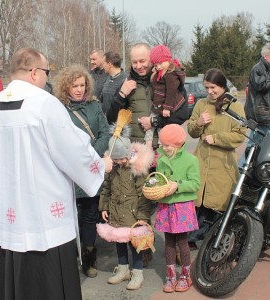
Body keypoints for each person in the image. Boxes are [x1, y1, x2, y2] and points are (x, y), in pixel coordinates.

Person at [0, 48, 112, 300]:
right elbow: (73, 149)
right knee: (49, 281)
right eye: (46, 72)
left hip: (8, 211)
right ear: (34, 72)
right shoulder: (44, 103)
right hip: (44, 214)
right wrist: (99, 165)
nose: (46, 79)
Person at [53, 64, 110, 278]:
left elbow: (104, 132)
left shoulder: (94, 106)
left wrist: (91, 155)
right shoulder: (58, 109)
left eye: (82, 85)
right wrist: (80, 159)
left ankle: (88, 259)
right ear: (65, 86)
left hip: (92, 169)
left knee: (90, 214)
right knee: (70, 216)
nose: (79, 89)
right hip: (69, 172)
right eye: (74, 85)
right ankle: (69, 258)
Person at [187, 68, 246, 249]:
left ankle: (214, 240)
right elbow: (191, 130)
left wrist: (217, 139)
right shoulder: (201, 104)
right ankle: (191, 240)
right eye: (207, 88)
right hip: (202, 161)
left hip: (223, 164)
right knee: (198, 202)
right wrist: (198, 123)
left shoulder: (235, 106)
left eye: (213, 87)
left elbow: (240, 134)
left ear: (222, 86)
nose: (210, 92)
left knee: (218, 204)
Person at [98, 126, 154, 290]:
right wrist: (104, 207)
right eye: (115, 160)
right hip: (116, 210)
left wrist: (143, 216)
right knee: (119, 241)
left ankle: (137, 272)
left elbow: (143, 195)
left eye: (121, 159)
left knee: (135, 243)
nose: (119, 162)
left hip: (133, 213)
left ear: (128, 154)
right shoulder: (113, 168)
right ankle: (122, 268)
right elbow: (106, 187)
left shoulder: (138, 169)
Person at [154, 124, 200, 293]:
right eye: (162, 144)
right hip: (166, 205)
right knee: (168, 242)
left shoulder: (191, 160)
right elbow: (159, 180)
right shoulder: (161, 160)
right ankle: (170, 275)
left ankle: (185, 275)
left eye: (167, 145)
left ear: (178, 144)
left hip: (182, 206)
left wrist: (177, 185)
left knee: (182, 242)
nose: (164, 148)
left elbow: (195, 183)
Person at [144, 45, 187, 147]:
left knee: (161, 127)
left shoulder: (171, 76)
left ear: (168, 60)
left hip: (164, 107)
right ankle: (148, 144)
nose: (158, 67)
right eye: (156, 65)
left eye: (160, 63)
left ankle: (161, 144)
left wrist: (167, 108)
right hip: (158, 106)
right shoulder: (160, 73)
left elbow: (171, 93)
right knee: (152, 125)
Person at [240, 43, 270, 168]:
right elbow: (261, 85)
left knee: (266, 144)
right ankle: (243, 167)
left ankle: (262, 171)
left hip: (268, 114)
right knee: (254, 143)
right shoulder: (257, 69)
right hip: (262, 115)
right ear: (265, 56)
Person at [100, 51, 127, 123]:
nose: (102, 67)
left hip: (118, 126)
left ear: (109, 64)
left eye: (103, 64)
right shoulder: (107, 79)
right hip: (106, 124)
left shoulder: (125, 80)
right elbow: (102, 99)